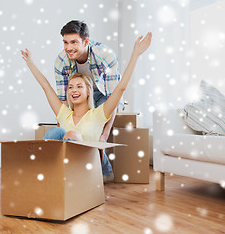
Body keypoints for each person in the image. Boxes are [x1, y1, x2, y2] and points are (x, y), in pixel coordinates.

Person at [21, 32, 152, 178]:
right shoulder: (64, 113)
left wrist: (136, 54)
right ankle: (45, 173)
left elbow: (120, 88)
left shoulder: (98, 114)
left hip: (89, 168)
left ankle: (64, 176)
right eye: (70, 87)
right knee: (55, 132)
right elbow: (46, 86)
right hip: (66, 167)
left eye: (79, 86)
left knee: (72, 134)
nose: (74, 90)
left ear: (88, 91)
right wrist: (30, 63)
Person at [51, 20, 125, 180]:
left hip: (103, 91)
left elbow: (114, 97)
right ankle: (72, 170)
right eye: (65, 42)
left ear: (86, 42)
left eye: (74, 42)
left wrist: (104, 135)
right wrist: (62, 126)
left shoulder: (105, 55)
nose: (68, 48)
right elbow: (63, 99)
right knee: (75, 130)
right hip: (79, 90)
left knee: (94, 127)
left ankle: (103, 172)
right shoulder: (61, 62)